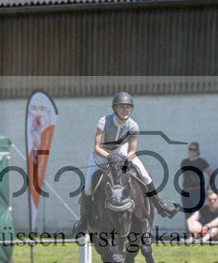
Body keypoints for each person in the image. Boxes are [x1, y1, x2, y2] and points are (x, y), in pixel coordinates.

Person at [74, 91, 178, 234]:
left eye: (128, 107)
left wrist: (126, 162)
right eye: (122, 107)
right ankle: (83, 220)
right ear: (115, 108)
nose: (125, 110)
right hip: (102, 154)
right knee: (89, 186)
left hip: (122, 152)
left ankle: (160, 206)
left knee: (145, 175)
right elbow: (98, 147)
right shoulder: (104, 121)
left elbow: (131, 151)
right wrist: (109, 157)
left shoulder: (133, 126)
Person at [179, 142, 212, 214]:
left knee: (197, 214)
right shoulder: (184, 162)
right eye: (190, 149)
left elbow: (211, 175)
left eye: (194, 149)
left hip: (197, 191)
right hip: (186, 191)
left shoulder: (202, 162)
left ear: (197, 151)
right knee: (187, 215)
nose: (192, 151)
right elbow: (184, 176)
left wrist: (207, 188)